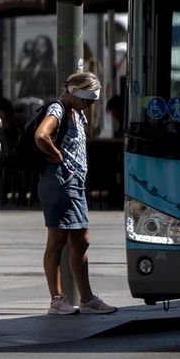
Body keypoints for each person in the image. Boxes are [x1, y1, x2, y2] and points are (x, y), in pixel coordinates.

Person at [35, 72, 117, 316]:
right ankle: (58, 300)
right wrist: (57, 154)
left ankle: (87, 298)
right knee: (58, 241)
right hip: (62, 182)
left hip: (73, 183)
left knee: (80, 241)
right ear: (75, 93)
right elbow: (41, 135)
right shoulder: (59, 109)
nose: (90, 106)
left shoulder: (77, 112)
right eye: (88, 100)